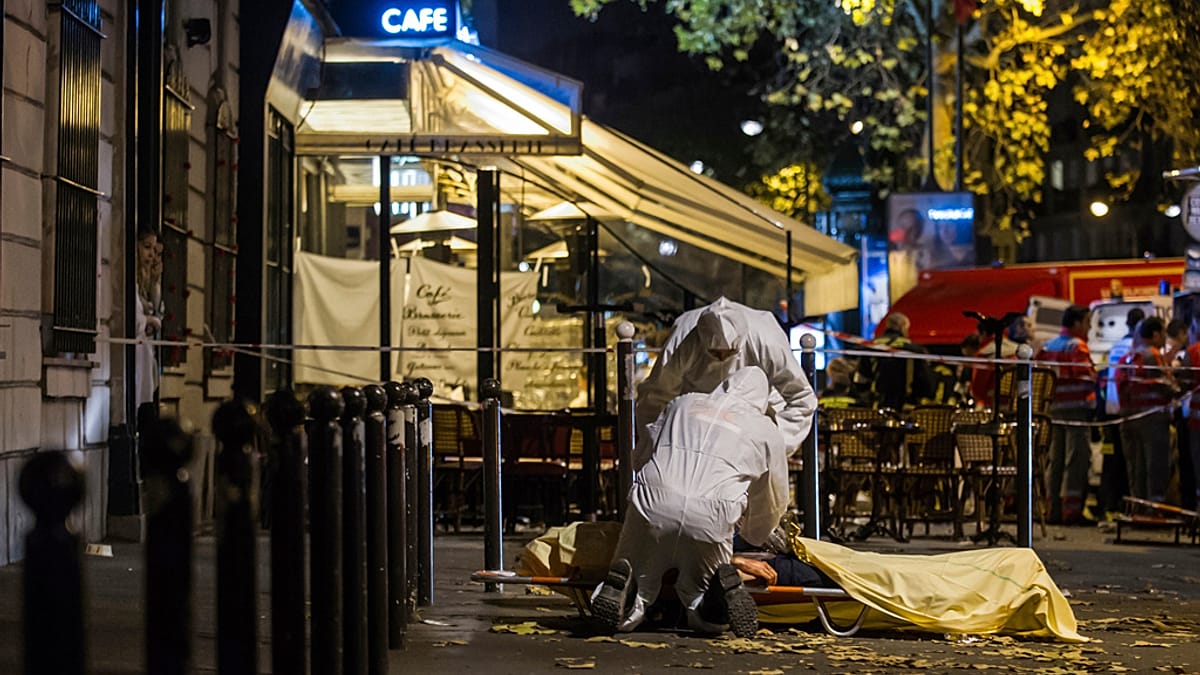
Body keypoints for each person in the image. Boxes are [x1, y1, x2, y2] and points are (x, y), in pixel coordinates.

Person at [592, 367, 789, 637]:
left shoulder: (682, 403)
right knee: (701, 605)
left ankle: (626, 589)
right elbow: (774, 497)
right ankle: (716, 600)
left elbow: (643, 453)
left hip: (652, 503)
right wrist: (755, 533)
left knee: (637, 566)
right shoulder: (766, 430)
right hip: (712, 516)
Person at [636, 297, 817, 456]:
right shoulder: (683, 337)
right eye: (714, 353)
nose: (722, 359)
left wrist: (774, 444)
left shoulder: (766, 338)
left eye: (729, 353)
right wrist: (656, 445)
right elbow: (656, 395)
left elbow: (802, 398)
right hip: (696, 428)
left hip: (757, 424)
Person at [1035, 305, 1097, 525]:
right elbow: (1086, 377)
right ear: (1077, 323)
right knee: (1076, 459)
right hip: (1075, 409)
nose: (1089, 326)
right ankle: (1071, 511)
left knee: (1056, 460)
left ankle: (1053, 510)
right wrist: (1096, 375)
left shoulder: (1048, 346)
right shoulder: (1077, 346)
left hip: (1053, 410)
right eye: (1087, 321)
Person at [1116, 317, 1177, 503]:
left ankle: (1138, 508)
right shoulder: (1153, 355)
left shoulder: (1128, 357)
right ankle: (1155, 508)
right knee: (1156, 465)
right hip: (1152, 420)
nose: (1165, 337)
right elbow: (1165, 386)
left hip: (1128, 419)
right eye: (1163, 333)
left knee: (1136, 467)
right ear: (1156, 334)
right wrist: (1178, 386)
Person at [1098, 308, 1143, 517]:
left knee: (1111, 460)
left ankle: (1108, 503)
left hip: (1110, 412)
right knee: (1128, 461)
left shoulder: (1115, 348)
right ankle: (1122, 504)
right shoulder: (1135, 349)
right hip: (1128, 412)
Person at [854, 312, 933, 411]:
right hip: (906, 407)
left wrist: (868, 399)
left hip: (878, 406)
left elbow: (860, 379)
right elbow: (926, 383)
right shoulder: (914, 350)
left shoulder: (872, 346)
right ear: (903, 327)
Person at [135, 227, 164, 423]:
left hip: (146, 358)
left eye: (155, 251)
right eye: (147, 247)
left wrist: (155, 282)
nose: (151, 255)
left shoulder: (145, 282)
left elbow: (157, 309)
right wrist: (149, 321)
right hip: (136, 360)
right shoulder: (132, 281)